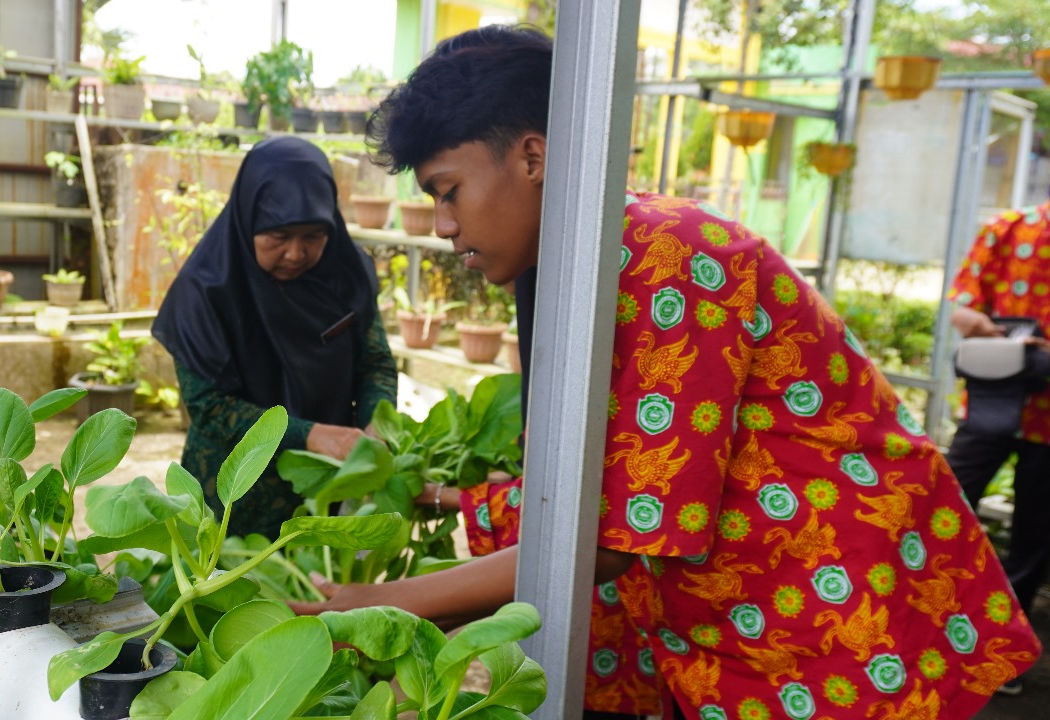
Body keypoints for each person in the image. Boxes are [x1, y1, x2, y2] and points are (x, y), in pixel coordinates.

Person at [290, 25, 1042, 720]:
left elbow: (619, 533)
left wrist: (378, 605)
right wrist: (444, 513)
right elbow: (606, 474)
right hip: (756, 610)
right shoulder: (585, 263)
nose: (445, 226)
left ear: (532, 156)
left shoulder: (667, 258)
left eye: (448, 190)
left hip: (832, 612)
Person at [152, 136, 397, 538]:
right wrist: (310, 435)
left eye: (313, 236)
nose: (296, 253)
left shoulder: (346, 276)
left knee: (324, 589)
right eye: (278, 238)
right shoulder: (205, 292)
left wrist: (376, 425)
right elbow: (210, 406)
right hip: (235, 492)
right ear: (248, 219)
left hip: (328, 482)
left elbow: (376, 364)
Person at [946, 200, 1050, 695]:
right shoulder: (1009, 228)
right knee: (944, 505)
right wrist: (998, 334)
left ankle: (1004, 652)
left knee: (1035, 535)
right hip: (994, 400)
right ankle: (929, 624)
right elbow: (964, 309)